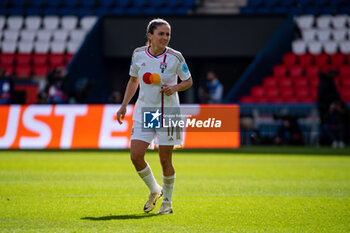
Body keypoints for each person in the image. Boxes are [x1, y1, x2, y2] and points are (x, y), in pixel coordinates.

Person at [116, 18, 193, 215]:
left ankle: (167, 203)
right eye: (161, 34)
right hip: (146, 112)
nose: (165, 38)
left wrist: (174, 87)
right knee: (136, 155)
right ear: (150, 35)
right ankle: (154, 189)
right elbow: (133, 80)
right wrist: (124, 105)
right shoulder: (139, 54)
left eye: (168, 34)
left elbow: (188, 81)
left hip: (168, 113)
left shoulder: (176, 57)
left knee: (165, 159)